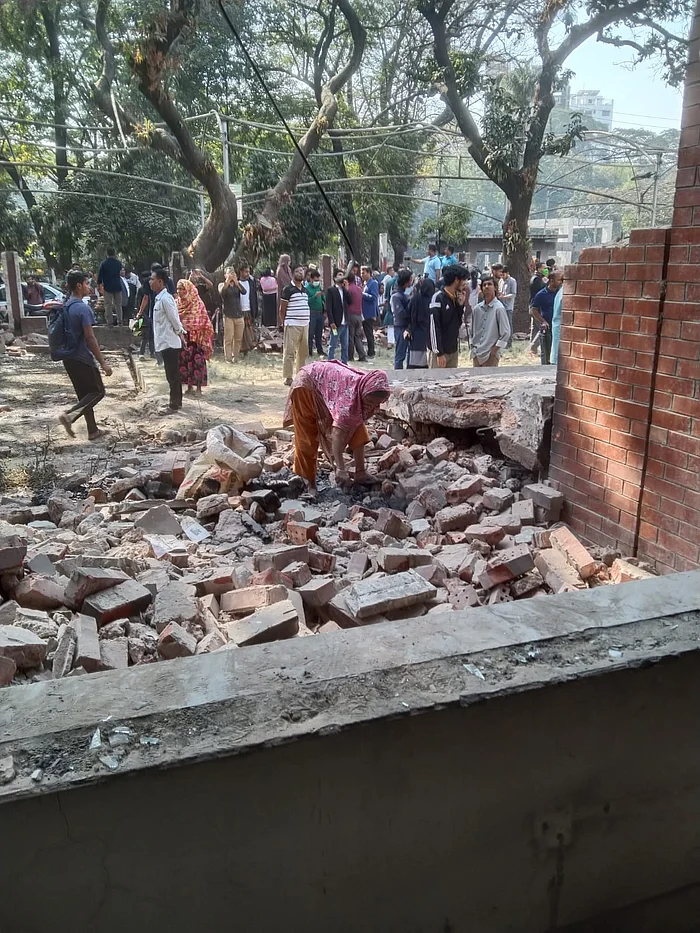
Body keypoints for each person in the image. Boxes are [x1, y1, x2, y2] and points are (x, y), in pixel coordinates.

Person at [284, 362, 390, 496]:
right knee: (307, 435)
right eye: (370, 402)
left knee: (357, 426)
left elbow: (356, 424)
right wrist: (340, 469)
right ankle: (309, 482)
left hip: (329, 384)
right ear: (365, 394)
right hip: (306, 386)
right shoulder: (348, 401)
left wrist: (356, 470)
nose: (374, 407)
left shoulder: (369, 384)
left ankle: (361, 472)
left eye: (378, 403)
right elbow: (337, 434)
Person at [57, 270, 112, 440]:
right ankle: (70, 416)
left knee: (85, 395)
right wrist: (103, 363)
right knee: (98, 392)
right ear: (79, 286)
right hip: (82, 358)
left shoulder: (66, 306)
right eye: (87, 283)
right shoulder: (82, 308)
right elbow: (90, 337)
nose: (89, 287)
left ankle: (93, 430)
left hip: (68, 357)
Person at [151, 267, 186, 413]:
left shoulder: (166, 299)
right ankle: (176, 402)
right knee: (171, 374)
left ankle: (174, 404)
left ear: (160, 282)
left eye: (152, 279)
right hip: (165, 342)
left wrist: (181, 334)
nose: (150, 282)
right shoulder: (159, 298)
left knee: (172, 375)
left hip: (170, 342)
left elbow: (175, 319)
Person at [175, 279, 214, 396]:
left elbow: (204, 321)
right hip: (184, 338)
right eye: (178, 289)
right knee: (185, 362)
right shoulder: (177, 304)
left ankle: (198, 389)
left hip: (196, 339)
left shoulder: (197, 303)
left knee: (197, 362)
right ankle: (189, 387)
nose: (179, 291)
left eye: (182, 289)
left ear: (188, 290)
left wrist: (198, 332)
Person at [429, 264, 469, 368]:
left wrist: (460, 306)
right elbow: (434, 327)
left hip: (453, 350)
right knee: (437, 378)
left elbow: (457, 323)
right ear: (456, 280)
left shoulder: (456, 298)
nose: (465, 283)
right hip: (440, 353)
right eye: (463, 280)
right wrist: (439, 353)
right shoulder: (438, 298)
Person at [469, 276, 511, 368]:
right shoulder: (477, 309)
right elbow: (471, 331)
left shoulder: (499, 308)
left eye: (489, 284)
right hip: (477, 353)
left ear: (495, 287)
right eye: (484, 285)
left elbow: (506, 333)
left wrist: (494, 350)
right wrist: (473, 347)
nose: (487, 287)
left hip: (490, 355)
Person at [280, 266, 310, 386]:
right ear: (292, 274)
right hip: (292, 324)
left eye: (301, 271)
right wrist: (284, 322)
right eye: (297, 271)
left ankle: (300, 376)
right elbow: (282, 309)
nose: (300, 273)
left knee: (303, 353)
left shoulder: (305, 290)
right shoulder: (287, 289)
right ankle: (288, 377)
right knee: (290, 352)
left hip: (305, 325)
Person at [530, 270, 563, 365]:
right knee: (546, 354)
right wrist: (543, 321)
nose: (561, 282)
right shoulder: (541, 294)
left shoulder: (561, 293)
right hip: (547, 328)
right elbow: (533, 310)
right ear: (552, 281)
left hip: (558, 328)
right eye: (559, 280)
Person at [405, 278, 434, 369]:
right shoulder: (433, 301)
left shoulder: (415, 298)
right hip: (429, 333)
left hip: (416, 332)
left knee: (414, 362)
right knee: (427, 361)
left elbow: (408, 314)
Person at [218, 267, 246, 363]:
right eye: (229, 274)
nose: (231, 276)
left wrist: (237, 283)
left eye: (233, 274)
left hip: (239, 315)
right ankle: (228, 358)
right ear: (225, 275)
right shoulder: (222, 285)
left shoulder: (237, 285)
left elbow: (244, 292)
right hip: (228, 316)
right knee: (228, 338)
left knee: (238, 338)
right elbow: (222, 293)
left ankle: (236, 357)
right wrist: (227, 282)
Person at [390, 268, 413, 370]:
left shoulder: (404, 295)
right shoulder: (396, 297)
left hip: (407, 326)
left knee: (409, 354)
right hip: (400, 327)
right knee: (400, 354)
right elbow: (400, 313)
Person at [326, 268, 349, 365]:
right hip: (336, 323)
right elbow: (328, 307)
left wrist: (347, 289)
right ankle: (330, 362)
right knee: (333, 344)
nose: (341, 276)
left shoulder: (344, 290)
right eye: (339, 274)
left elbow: (350, 301)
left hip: (345, 322)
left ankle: (344, 363)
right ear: (335, 277)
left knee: (345, 345)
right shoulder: (331, 290)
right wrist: (331, 321)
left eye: (342, 275)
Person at [97, 247, 123, 325]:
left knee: (108, 304)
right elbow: (121, 272)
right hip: (117, 286)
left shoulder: (104, 263)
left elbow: (100, 275)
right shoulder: (118, 263)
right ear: (114, 253)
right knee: (118, 304)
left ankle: (109, 322)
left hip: (107, 286)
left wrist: (99, 284)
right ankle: (120, 321)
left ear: (107, 254)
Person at [238, 262, 259, 355]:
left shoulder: (251, 283)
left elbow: (254, 297)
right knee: (240, 331)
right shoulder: (237, 283)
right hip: (239, 311)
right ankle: (239, 348)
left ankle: (246, 349)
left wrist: (255, 310)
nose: (247, 274)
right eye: (246, 272)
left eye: (248, 272)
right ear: (241, 272)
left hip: (248, 310)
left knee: (248, 330)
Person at [345, 272, 366, 363]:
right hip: (359, 315)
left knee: (350, 336)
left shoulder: (348, 289)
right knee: (358, 337)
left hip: (351, 314)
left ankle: (350, 356)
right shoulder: (359, 289)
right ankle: (362, 355)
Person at [305, 268, 326, 357]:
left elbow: (323, 299)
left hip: (320, 313)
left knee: (319, 333)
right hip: (311, 313)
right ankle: (309, 350)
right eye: (315, 280)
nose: (317, 282)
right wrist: (315, 296)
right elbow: (306, 301)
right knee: (310, 333)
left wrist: (323, 297)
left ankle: (319, 350)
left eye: (318, 280)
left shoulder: (319, 287)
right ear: (311, 279)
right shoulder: (306, 289)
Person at [360, 265, 378, 359]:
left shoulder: (373, 283)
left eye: (363, 273)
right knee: (366, 333)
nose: (362, 275)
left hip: (369, 312)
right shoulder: (365, 283)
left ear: (369, 273)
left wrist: (362, 294)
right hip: (363, 312)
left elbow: (373, 297)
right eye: (361, 273)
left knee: (369, 333)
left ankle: (371, 352)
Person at [136, 271, 155, 360]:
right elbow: (139, 302)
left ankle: (152, 352)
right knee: (145, 335)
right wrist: (141, 313)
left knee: (152, 335)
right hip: (145, 315)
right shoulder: (141, 290)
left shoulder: (153, 291)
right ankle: (141, 353)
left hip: (151, 315)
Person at [498, 265, 517, 347]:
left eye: (503, 274)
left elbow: (513, 294)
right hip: (500, 306)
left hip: (508, 307)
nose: (502, 276)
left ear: (507, 273)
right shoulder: (500, 281)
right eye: (501, 275)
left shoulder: (512, 281)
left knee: (508, 324)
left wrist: (504, 297)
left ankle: (509, 342)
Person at [551, 275, 564, 365]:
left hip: (557, 323)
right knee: (558, 347)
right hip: (559, 323)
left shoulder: (561, 291)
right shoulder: (564, 292)